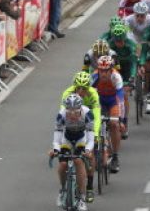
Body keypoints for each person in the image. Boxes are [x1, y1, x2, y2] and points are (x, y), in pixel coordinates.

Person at [59, 71, 100, 203]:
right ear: (74, 87)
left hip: (87, 124)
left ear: (89, 88)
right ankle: (63, 189)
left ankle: (88, 187)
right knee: (64, 162)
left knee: (89, 155)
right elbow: (62, 115)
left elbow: (97, 115)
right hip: (71, 126)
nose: (80, 91)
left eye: (84, 89)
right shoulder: (67, 94)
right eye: (78, 88)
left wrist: (96, 134)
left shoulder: (93, 94)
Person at [50, 94, 94, 211]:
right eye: (70, 111)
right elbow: (58, 134)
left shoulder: (87, 113)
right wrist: (55, 149)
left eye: (75, 111)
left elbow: (90, 137)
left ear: (80, 109)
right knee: (63, 164)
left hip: (81, 139)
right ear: (66, 109)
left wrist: (88, 150)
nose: (72, 114)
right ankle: (63, 189)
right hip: (67, 139)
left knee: (78, 161)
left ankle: (82, 198)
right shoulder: (61, 114)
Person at [90, 56, 124, 173]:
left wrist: (121, 120)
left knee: (114, 125)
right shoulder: (94, 77)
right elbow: (87, 97)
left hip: (113, 102)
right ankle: (96, 148)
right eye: (101, 70)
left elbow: (121, 99)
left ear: (111, 70)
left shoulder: (116, 77)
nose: (103, 74)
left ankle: (115, 156)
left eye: (106, 71)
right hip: (99, 101)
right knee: (94, 123)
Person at [107, 24, 137, 138]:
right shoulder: (109, 46)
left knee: (123, 95)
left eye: (121, 41)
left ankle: (124, 122)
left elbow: (134, 63)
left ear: (125, 38)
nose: (119, 43)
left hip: (127, 69)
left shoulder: (130, 45)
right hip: (115, 70)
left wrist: (132, 77)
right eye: (116, 41)